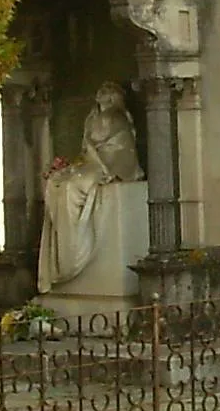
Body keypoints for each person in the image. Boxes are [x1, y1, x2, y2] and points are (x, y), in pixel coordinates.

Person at [38, 82, 142, 289]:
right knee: (56, 182)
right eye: (100, 92)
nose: (102, 96)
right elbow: (87, 146)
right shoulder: (91, 118)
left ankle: (72, 250)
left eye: (107, 93)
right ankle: (64, 250)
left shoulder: (119, 118)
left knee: (71, 188)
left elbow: (121, 148)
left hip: (108, 164)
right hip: (91, 162)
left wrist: (102, 164)